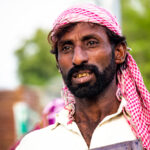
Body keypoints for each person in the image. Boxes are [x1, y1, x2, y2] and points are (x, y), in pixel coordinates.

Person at [16, 4, 150, 150]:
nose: (78, 58)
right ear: (58, 63)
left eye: (91, 43)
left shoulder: (144, 127)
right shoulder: (36, 144)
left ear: (119, 52)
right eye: (66, 48)